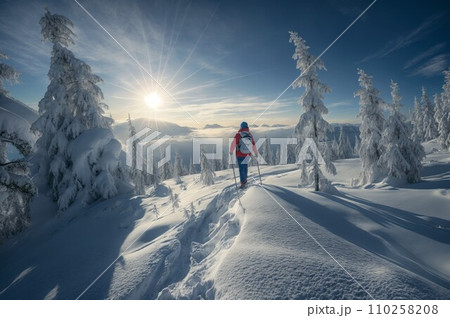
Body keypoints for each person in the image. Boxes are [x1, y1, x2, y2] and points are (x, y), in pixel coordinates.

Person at [229, 121, 258, 188]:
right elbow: (253, 144)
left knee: (241, 168)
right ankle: (245, 179)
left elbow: (233, 143)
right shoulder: (250, 135)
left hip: (240, 154)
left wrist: (231, 151)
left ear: (241, 127)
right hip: (248, 154)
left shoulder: (238, 135)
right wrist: (255, 153)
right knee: (245, 167)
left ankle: (243, 183)